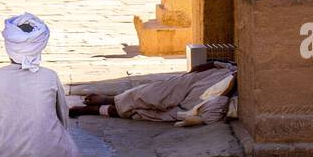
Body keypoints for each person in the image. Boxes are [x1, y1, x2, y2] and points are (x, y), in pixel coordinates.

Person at [0, 13, 81, 157]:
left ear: (9, 47)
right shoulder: (50, 76)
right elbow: (62, 117)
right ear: (39, 47)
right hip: (53, 155)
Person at [68, 60, 236, 127]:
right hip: (208, 79)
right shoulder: (229, 70)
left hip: (206, 100)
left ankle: (98, 110)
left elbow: (213, 115)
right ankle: (110, 99)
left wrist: (227, 90)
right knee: (154, 94)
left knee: (148, 114)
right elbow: (211, 65)